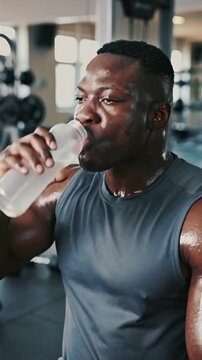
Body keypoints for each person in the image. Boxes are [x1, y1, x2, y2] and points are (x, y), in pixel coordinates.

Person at [0, 39, 202, 360]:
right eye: (81, 98)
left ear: (158, 115)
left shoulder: (195, 219)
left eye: (108, 99)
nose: (83, 114)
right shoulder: (65, 188)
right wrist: (3, 177)